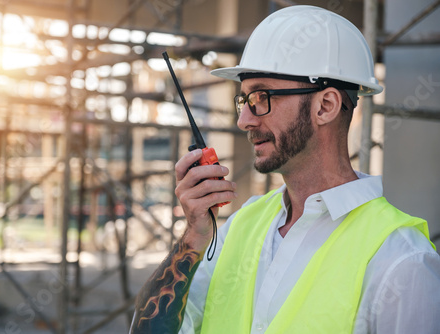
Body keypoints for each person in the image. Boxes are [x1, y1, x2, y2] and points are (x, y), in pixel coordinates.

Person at [130, 5, 440, 334]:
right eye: (243, 100)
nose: (244, 120)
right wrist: (192, 239)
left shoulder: (401, 261)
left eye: (261, 96)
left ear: (326, 105)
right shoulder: (238, 228)